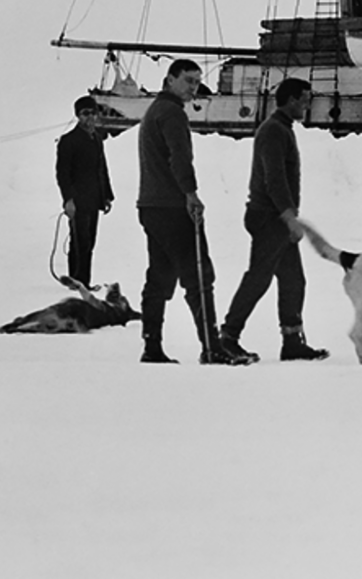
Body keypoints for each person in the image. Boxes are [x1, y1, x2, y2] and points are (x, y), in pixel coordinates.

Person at [135, 59, 246, 365]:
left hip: (151, 206)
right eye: (188, 80)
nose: (193, 87)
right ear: (169, 79)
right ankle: (211, 348)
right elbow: (179, 158)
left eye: (197, 82)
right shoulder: (171, 113)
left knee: (158, 277)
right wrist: (191, 194)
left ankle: (152, 346)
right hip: (172, 207)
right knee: (198, 276)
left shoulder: (154, 111)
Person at [216, 79, 328, 363]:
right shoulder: (273, 131)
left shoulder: (281, 129)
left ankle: (292, 341)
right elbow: (274, 178)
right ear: (290, 99)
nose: (307, 105)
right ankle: (227, 337)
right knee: (258, 278)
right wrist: (289, 217)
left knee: (293, 280)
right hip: (270, 217)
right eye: (304, 99)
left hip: (275, 217)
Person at [56, 95, 114, 285]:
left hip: (94, 198)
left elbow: (102, 169)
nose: (90, 117)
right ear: (78, 116)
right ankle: (79, 281)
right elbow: (62, 173)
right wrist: (68, 200)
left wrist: (106, 196)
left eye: (93, 113)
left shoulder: (97, 139)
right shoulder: (68, 141)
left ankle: (81, 282)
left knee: (89, 241)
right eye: (85, 113)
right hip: (78, 200)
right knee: (80, 242)